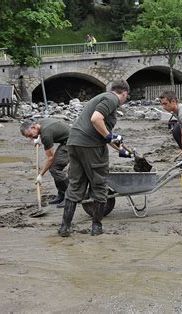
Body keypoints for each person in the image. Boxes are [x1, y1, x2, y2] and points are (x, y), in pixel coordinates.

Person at [59, 79, 131, 237]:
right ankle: (96, 227)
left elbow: (103, 133)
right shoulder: (112, 98)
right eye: (126, 97)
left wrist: (121, 149)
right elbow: (96, 119)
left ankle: (65, 228)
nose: (125, 100)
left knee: (76, 184)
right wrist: (110, 137)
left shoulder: (100, 98)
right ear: (124, 93)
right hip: (90, 146)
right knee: (99, 185)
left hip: (75, 143)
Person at [20, 119, 70, 208]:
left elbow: (50, 158)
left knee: (54, 168)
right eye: (29, 137)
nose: (31, 138)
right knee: (54, 168)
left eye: (31, 135)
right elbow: (41, 132)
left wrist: (41, 175)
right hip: (67, 139)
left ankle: (69, 197)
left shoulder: (46, 135)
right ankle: (61, 195)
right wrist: (37, 137)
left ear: (33, 127)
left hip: (73, 142)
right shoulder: (40, 124)